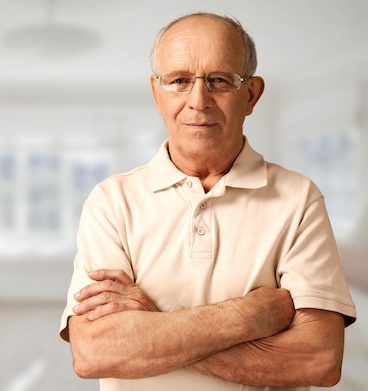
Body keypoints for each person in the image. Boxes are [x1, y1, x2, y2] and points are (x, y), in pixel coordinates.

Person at [59, 12, 357, 390]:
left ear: (251, 94)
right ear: (157, 93)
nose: (198, 101)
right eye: (179, 81)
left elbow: (320, 360)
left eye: (220, 80)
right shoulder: (110, 202)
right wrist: (250, 315)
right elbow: (95, 353)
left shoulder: (299, 199)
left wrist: (152, 326)